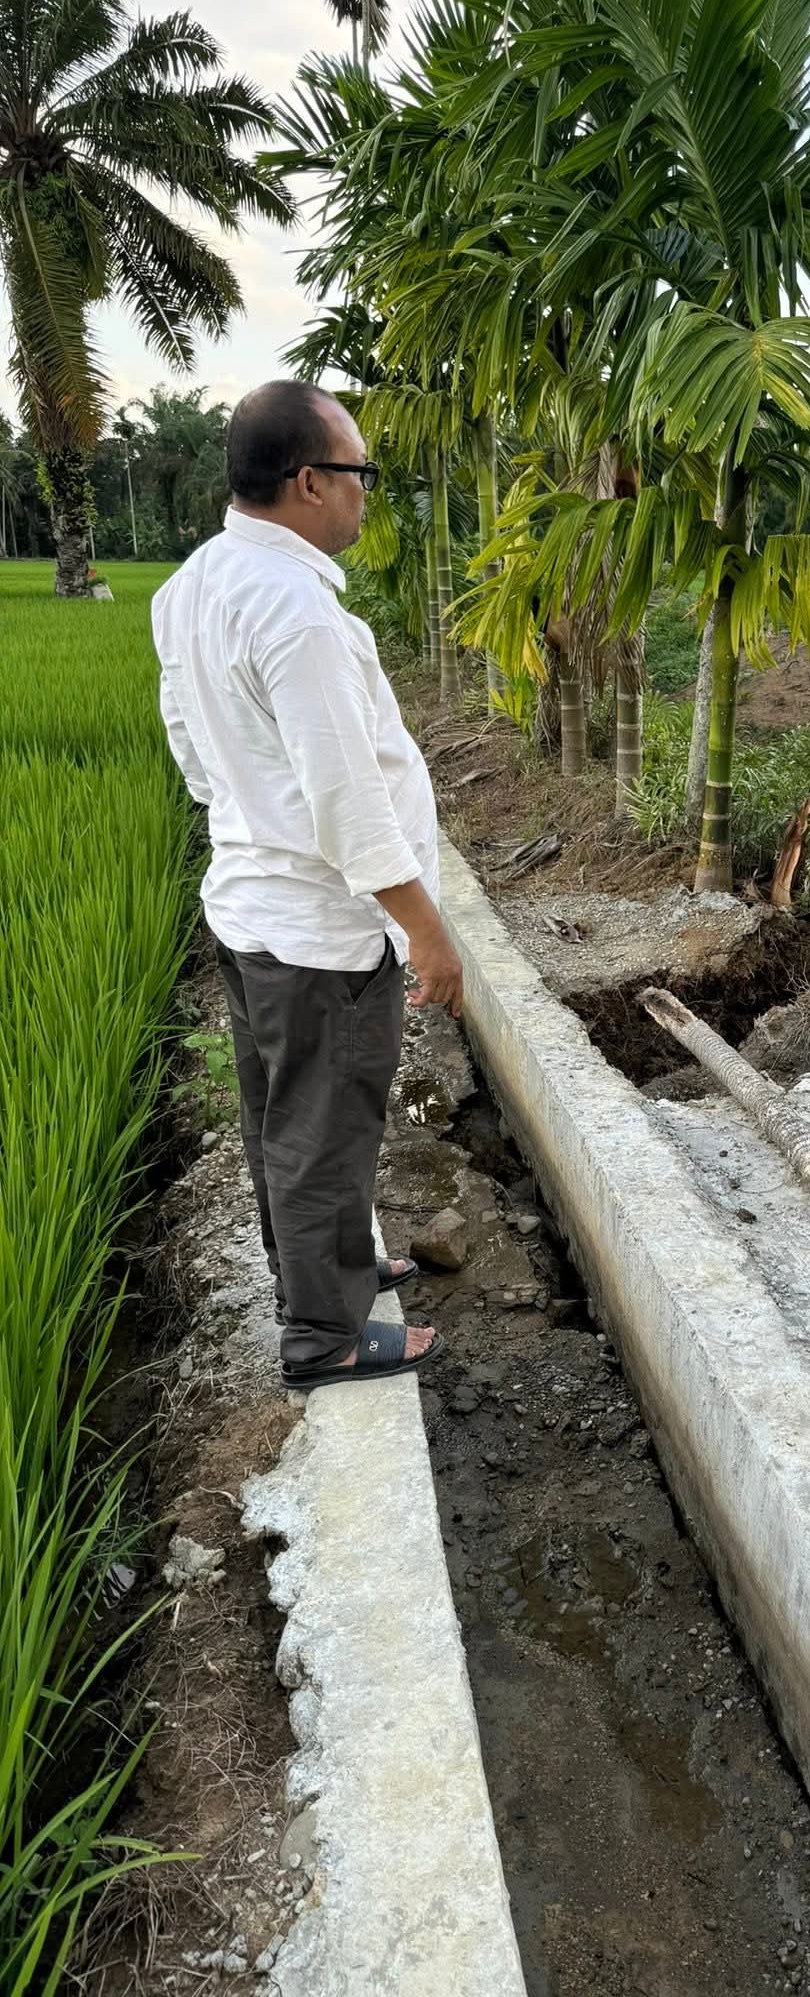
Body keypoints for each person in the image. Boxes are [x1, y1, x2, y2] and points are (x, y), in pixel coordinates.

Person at [152, 379, 461, 1392]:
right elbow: (345, 803)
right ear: (307, 482)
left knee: (285, 1112)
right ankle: (323, 1334)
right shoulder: (298, 614)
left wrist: (252, 822)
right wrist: (426, 931)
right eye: (359, 473)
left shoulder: (191, 586)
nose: (367, 493)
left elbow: (194, 756)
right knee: (326, 1119)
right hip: (318, 929)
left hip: (249, 905)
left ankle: (334, 1262)